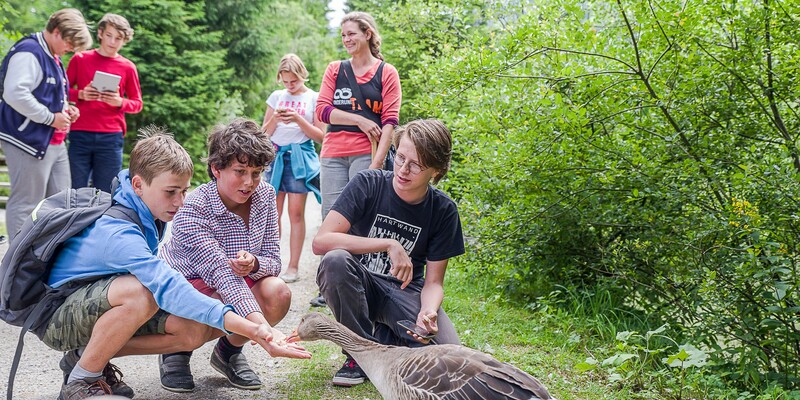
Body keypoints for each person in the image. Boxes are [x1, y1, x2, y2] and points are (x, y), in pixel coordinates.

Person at [44, 130, 310, 400]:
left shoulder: (147, 210)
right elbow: (171, 286)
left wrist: (254, 274)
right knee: (141, 292)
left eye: (183, 191)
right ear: (138, 185)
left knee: (189, 327)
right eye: (171, 192)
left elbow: (270, 260)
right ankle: (82, 379)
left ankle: (93, 361)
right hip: (56, 316)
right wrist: (258, 330)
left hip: (93, 302)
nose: (180, 201)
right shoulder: (122, 230)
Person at [312, 119, 464, 387]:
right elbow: (322, 242)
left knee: (449, 359)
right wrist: (387, 244)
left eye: (416, 164)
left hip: (404, 292)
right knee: (335, 260)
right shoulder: (368, 183)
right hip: (360, 285)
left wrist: (427, 311)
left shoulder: (443, 210)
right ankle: (358, 354)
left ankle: (386, 336)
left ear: (437, 171)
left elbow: (434, 283)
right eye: (400, 157)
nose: (403, 169)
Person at [158, 118, 291, 392]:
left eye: (256, 172)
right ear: (216, 169)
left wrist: (254, 263)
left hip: (236, 282)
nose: (249, 182)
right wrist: (264, 331)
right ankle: (177, 350)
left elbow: (274, 260)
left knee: (278, 293)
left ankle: (228, 352)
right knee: (219, 301)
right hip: (188, 285)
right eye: (240, 171)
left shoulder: (265, 195)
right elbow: (222, 275)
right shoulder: (194, 207)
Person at [312, 11, 402, 306]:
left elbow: (390, 121)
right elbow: (323, 111)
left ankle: (362, 281)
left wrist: (377, 162)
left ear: (367, 34)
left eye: (351, 34)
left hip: (367, 154)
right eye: (343, 35)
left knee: (363, 219)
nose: (346, 40)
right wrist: (359, 120)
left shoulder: (386, 73)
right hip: (333, 152)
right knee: (332, 219)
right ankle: (329, 283)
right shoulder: (335, 70)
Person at [0, 8, 91, 241]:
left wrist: (66, 109)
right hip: (27, 140)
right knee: (26, 203)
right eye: (70, 43)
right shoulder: (29, 52)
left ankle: (49, 258)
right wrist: (51, 117)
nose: (70, 49)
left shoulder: (52, 56)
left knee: (62, 201)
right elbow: (14, 93)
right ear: (57, 32)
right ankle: (17, 264)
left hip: (54, 140)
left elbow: (48, 95)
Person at [262, 54, 325, 284]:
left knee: (295, 214)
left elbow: (321, 136)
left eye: (294, 81)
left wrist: (298, 119)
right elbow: (263, 134)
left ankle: (293, 266)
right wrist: (276, 121)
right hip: (275, 156)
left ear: (302, 76)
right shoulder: (276, 97)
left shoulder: (313, 98)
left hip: (299, 157)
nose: (290, 86)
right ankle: (271, 262)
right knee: (271, 213)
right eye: (286, 81)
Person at [66, 13, 143, 193]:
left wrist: (119, 102)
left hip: (110, 137)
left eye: (119, 38)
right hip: (80, 133)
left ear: (124, 40)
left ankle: (103, 222)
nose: (113, 42)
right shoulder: (80, 59)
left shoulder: (128, 66)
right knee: (75, 190)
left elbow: (137, 103)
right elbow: (62, 92)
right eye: (109, 35)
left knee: (107, 192)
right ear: (100, 33)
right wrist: (81, 94)